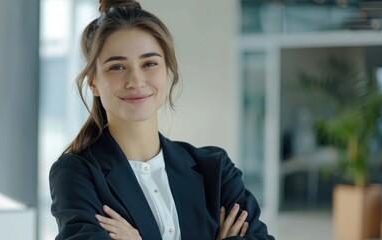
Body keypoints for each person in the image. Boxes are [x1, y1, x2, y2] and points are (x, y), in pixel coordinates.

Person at [49, 0, 275, 239]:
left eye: (149, 64)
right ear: (94, 83)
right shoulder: (76, 174)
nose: (136, 81)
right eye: (117, 67)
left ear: (167, 72)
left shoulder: (216, 170)